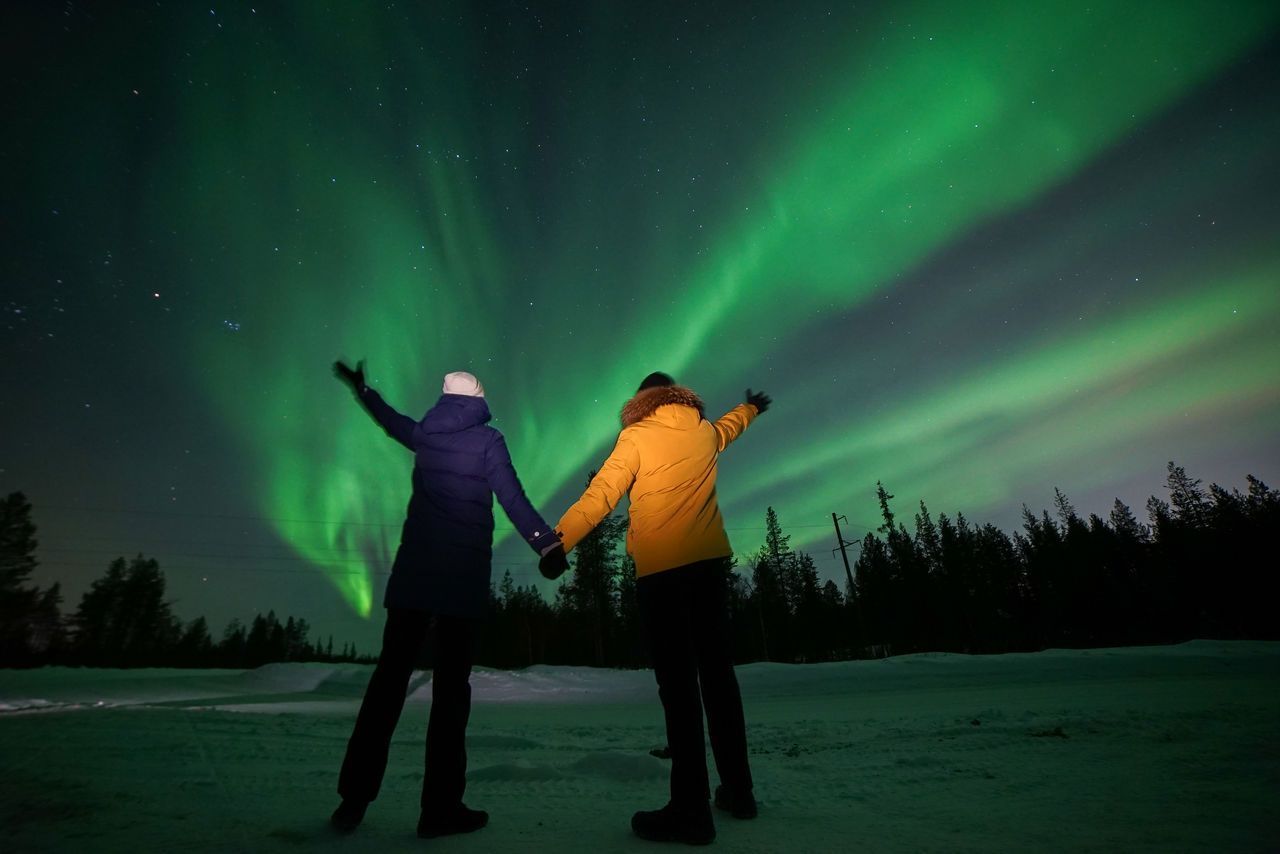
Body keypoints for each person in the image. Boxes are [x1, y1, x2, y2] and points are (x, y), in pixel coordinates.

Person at [330, 361, 561, 839]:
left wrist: (364, 390)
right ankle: (440, 810)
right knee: (451, 697)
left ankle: (353, 800)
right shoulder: (488, 441)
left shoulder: (424, 435)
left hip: (413, 580)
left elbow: (388, 418)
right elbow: (512, 498)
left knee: (387, 687)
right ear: (478, 401)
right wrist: (547, 543)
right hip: (459, 584)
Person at [541, 371, 770, 845]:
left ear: (643, 401)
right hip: (709, 570)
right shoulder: (703, 432)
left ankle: (690, 811)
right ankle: (738, 791)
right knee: (719, 679)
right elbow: (730, 427)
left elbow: (601, 493)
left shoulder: (637, 437)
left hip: (663, 575)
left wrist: (560, 543)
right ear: (678, 398)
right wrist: (751, 409)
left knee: (680, 690)